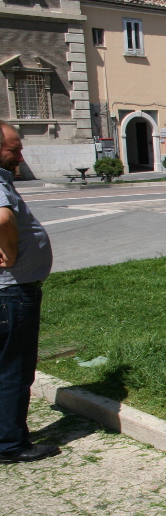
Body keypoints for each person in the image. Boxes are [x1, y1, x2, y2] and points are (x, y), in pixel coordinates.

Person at [0, 120, 59, 464]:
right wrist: (8, 252)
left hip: (9, 292)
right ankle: (10, 445)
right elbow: (4, 220)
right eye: (14, 149)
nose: (20, 154)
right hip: (12, 293)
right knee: (15, 369)